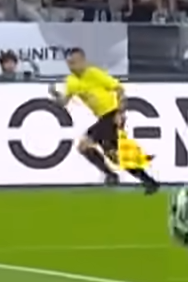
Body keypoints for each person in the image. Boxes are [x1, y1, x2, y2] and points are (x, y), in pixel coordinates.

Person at [51, 47, 160, 193]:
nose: (71, 67)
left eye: (74, 63)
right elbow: (64, 101)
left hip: (112, 115)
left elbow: (119, 89)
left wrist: (120, 112)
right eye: (69, 64)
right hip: (103, 118)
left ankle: (111, 175)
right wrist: (55, 96)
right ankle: (149, 182)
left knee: (84, 146)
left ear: (83, 61)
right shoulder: (71, 81)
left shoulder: (94, 74)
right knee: (116, 156)